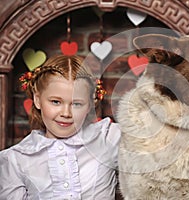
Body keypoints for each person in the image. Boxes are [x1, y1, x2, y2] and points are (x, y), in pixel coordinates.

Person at [0, 55, 121, 199]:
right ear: (37, 100)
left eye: (77, 104)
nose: (66, 113)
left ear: (90, 105)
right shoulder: (15, 159)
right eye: (56, 102)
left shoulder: (107, 137)